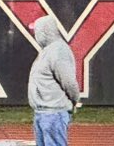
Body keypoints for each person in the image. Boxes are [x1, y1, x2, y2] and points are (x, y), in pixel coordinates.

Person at [27, 15, 80, 146]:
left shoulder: (59, 50)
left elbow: (69, 82)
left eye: (36, 31)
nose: (35, 34)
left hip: (53, 113)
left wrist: (74, 99)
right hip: (42, 112)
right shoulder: (47, 50)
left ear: (45, 31)